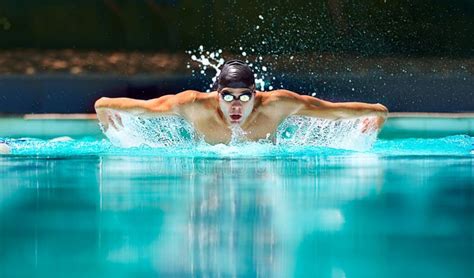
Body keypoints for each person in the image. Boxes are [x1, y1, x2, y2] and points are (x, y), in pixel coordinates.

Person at [95, 60, 388, 144]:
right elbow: (144, 109)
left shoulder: (277, 104)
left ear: (256, 94)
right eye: (228, 97)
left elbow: (333, 112)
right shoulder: (194, 104)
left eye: (244, 97)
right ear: (217, 93)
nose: (236, 105)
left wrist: (378, 114)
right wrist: (103, 107)